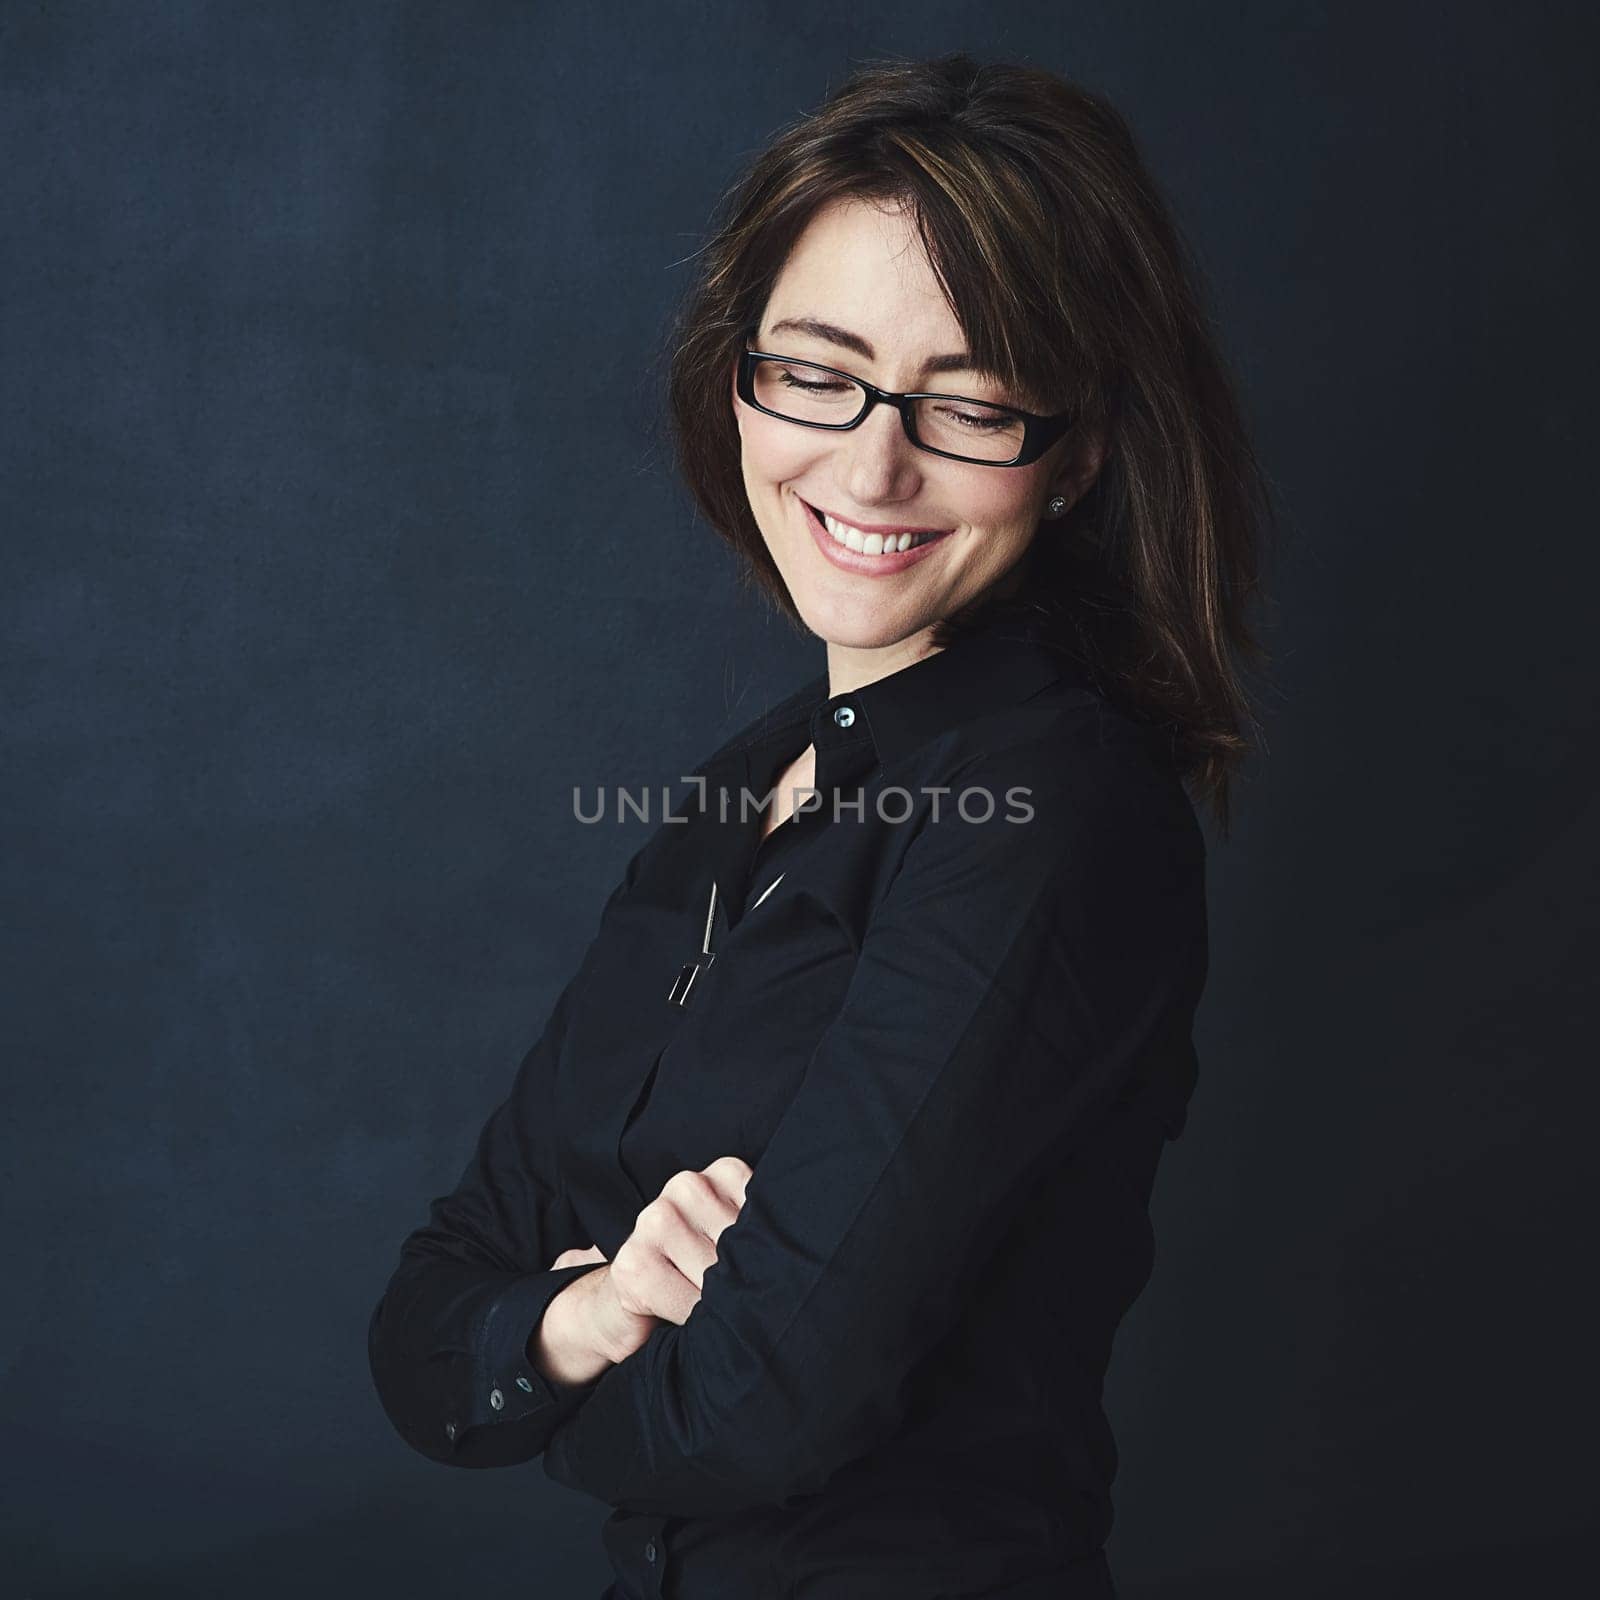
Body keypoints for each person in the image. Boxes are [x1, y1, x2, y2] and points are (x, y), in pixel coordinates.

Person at [368, 51, 1269, 1600]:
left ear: (1084, 451)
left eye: (972, 401)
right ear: (738, 371)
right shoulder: (746, 785)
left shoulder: (1054, 815)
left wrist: (559, 1395)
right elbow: (434, 1309)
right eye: (815, 370)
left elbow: (754, 1414)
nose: (871, 463)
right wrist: (575, 1324)